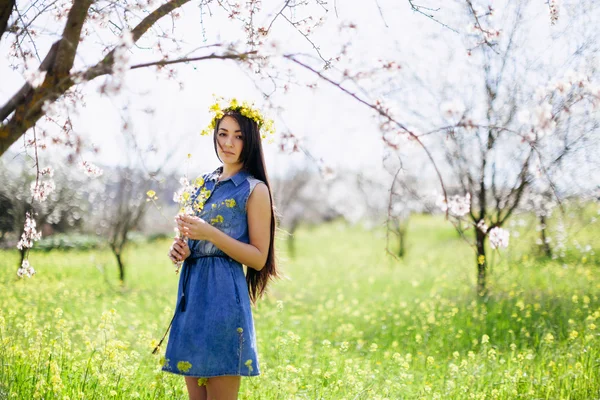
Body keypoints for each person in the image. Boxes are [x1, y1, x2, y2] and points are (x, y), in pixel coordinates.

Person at [158, 99, 278, 400]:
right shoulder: (205, 183)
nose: (228, 142)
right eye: (223, 133)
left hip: (224, 299)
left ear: (250, 141)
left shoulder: (254, 189)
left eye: (238, 136)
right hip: (192, 295)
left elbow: (259, 258)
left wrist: (210, 234)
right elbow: (197, 239)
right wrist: (183, 249)